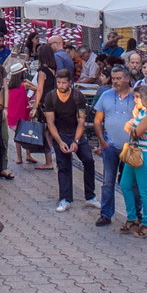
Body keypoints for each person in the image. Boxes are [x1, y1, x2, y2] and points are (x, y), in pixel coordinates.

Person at [42, 71, 95, 212]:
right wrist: (59, 141)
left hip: (76, 133)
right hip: (60, 133)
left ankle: (90, 196)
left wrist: (76, 140)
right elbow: (50, 122)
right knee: (63, 166)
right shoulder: (51, 97)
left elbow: (81, 120)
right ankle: (65, 198)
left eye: (64, 82)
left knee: (88, 160)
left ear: (70, 82)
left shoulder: (78, 96)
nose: (61, 85)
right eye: (59, 82)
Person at [91, 65, 136, 228]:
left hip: (130, 147)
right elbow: (97, 120)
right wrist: (102, 141)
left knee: (131, 183)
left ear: (127, 79)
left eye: (118, 78)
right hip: (110, 146)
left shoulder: (135, 97)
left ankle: (134, 214)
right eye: (113, 78)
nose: (115, 82)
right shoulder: (106, 95)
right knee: (108, 182)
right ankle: (106, 213)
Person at [119, 84, 147, 238]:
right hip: (134, 152)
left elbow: (135, 130)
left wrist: (135, 130)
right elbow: (128, 128)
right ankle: (132, 217)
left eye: (138, 97)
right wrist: (134, 130)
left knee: (144, 189)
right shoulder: (142, 112)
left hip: (145, 154)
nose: (136, 100)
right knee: (125, 184)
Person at [25, 43, 57, 171]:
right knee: (50, 131)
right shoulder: (53, 69)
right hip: (52, 103)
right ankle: (52, 157)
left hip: (44, 104)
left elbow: (40, 90)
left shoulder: (42, 72)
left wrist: (34, 106)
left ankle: (49, 160)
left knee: (45, 133)